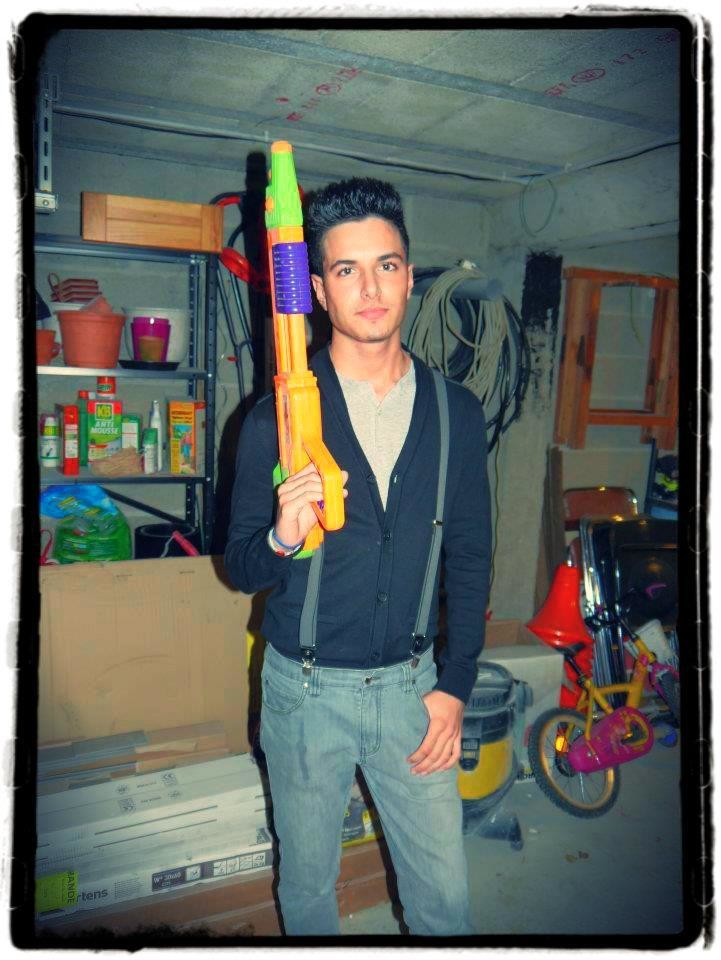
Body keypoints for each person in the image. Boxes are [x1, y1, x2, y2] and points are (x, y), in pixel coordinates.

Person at [224, 176, 491, 937]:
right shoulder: (273, 419)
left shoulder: (456, 412)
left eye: (386, 265)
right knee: (309, 890)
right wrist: (281, 534)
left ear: (408, 276)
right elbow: (239, 567)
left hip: (414, 692)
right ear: (317, 289)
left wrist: (455, 684)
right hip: (304, 693)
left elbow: (471, 556)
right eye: (347, 270)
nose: (369, 289)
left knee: (446, 902)